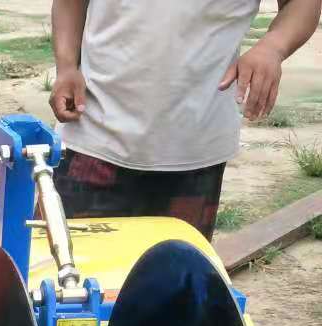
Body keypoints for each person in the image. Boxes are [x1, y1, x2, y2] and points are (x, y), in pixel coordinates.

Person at [48, 0, 321, 239]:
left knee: (173, 277)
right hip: (91, 137)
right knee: (67, 272)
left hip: (194, 151)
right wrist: (66, 67)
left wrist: (273, 47)